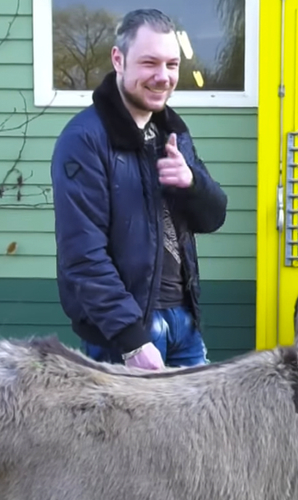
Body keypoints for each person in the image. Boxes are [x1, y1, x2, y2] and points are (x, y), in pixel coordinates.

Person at [50, 8, 228, 370]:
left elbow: (214, 218)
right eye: (150, 63)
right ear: (119, 59)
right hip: (128, 333)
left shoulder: (172, 133)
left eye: (172, 65)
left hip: (185, 321)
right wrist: (132, 341)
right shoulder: (84, 140)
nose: (163, 77)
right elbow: (83, 257)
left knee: (197, 428)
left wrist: (192, 184)